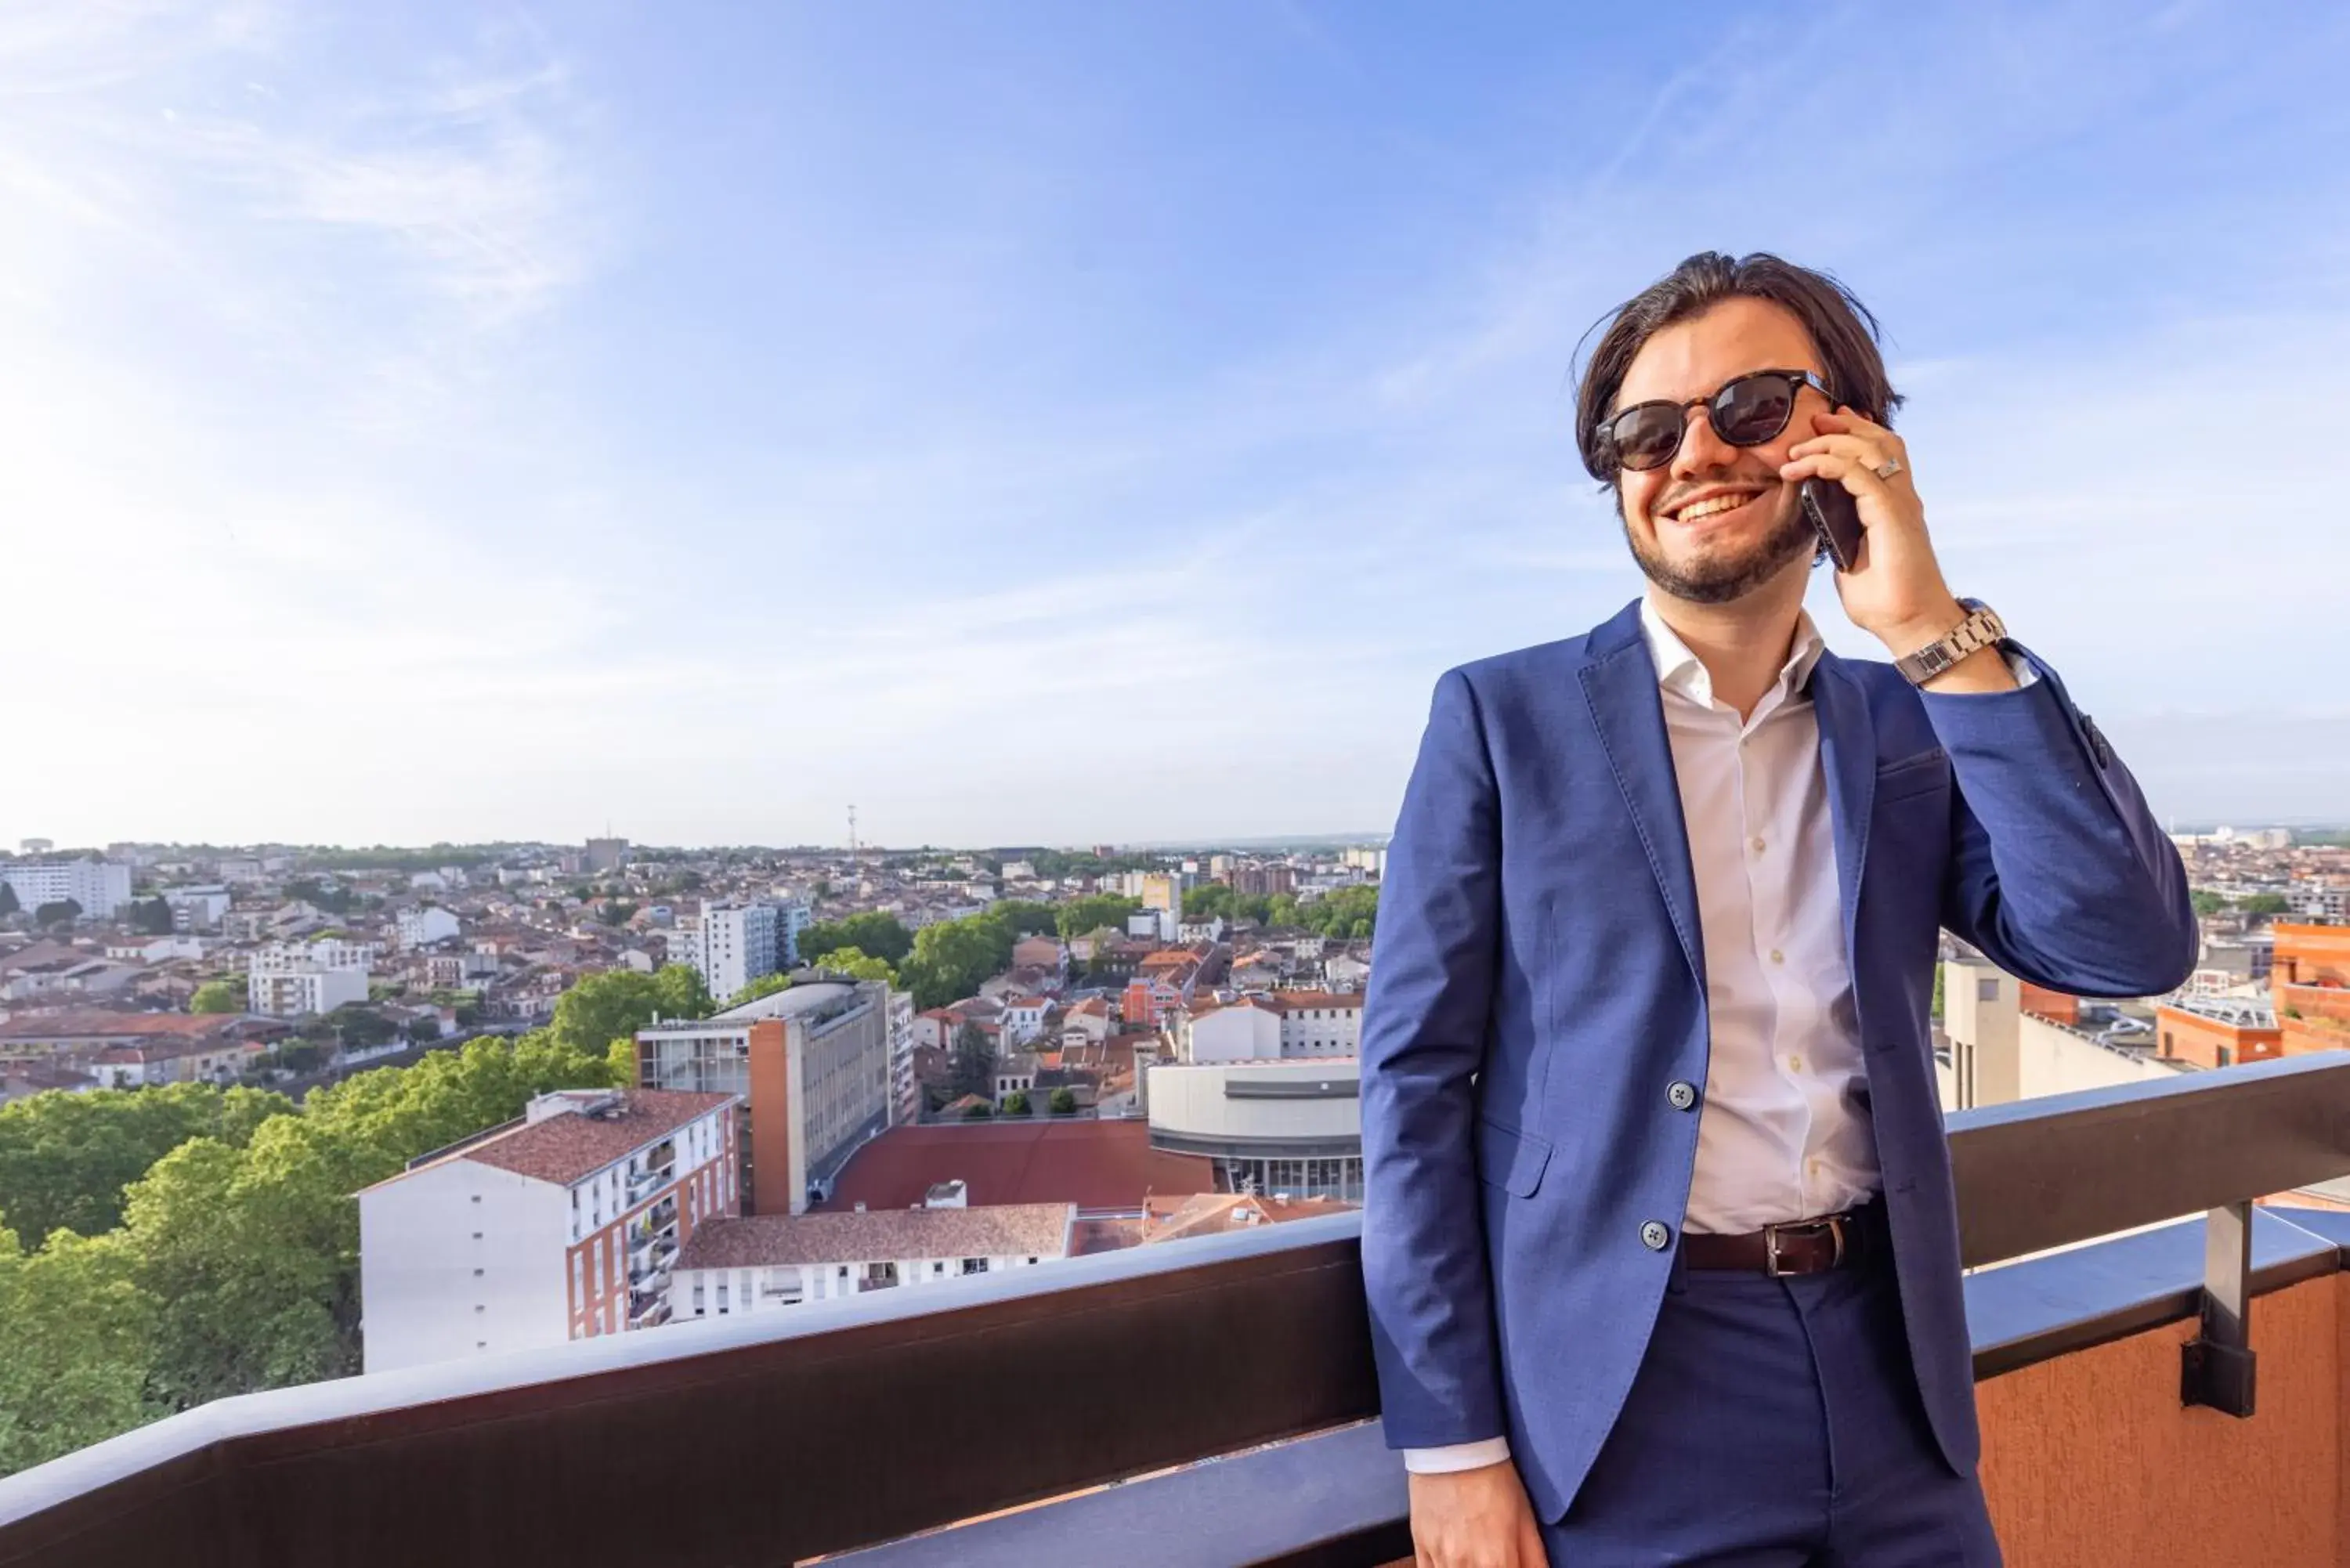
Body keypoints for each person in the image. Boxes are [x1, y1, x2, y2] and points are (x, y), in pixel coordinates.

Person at [1358, 251, 2197, 1567]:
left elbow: (2126, 944)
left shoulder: (1908, 720)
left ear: (1849, 435)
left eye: (1750, 405)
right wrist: (1451, 1447)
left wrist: (1930, 626)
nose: (1693, 451)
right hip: (1631, 1396)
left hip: (1894, 1375)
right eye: (1644, 431)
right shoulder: (1498, 718)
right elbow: (1414, 1081)